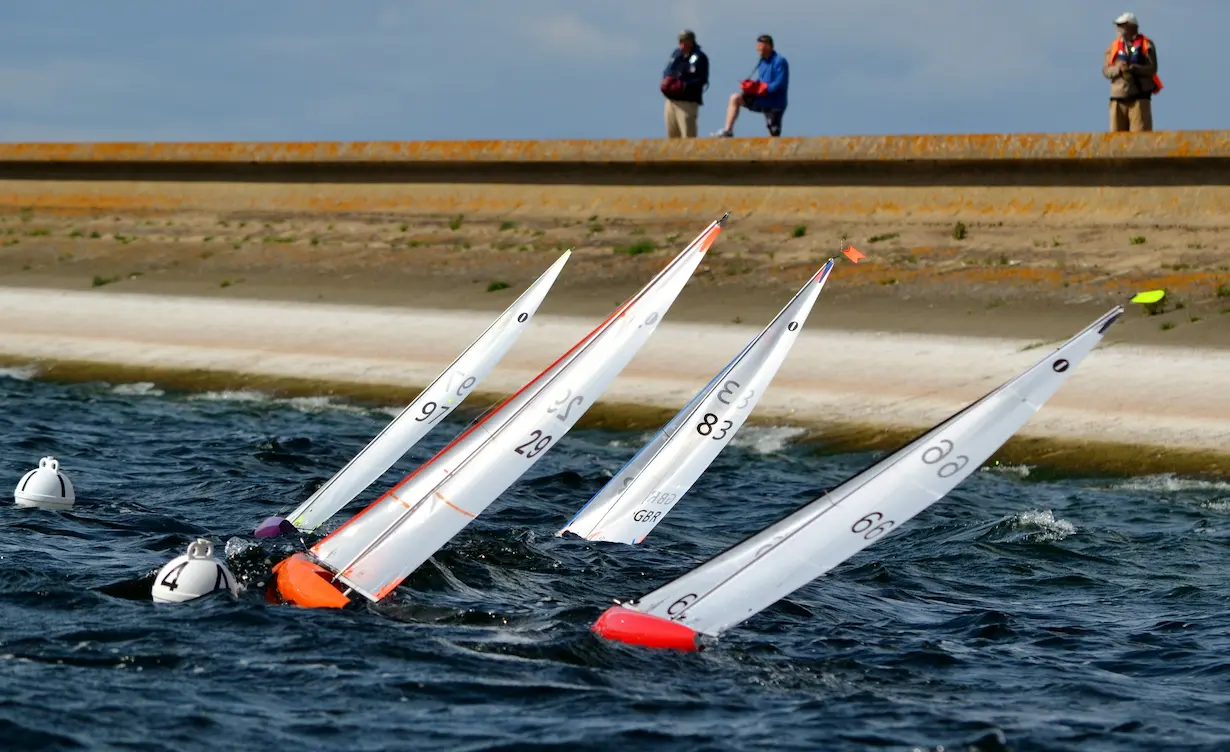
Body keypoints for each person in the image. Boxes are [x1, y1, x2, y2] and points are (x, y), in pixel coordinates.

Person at [712, 34, 788, 138]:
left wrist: (764, 89)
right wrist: (751, 86)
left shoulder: (780, 61)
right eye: (758, 46)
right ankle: (727, 131)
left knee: (774, 132)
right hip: (761, 99)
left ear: (769, 46)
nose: (759, 48)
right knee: (735, 98)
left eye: (761, 45)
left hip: (775, 102)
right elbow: (761, 80)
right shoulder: (762, 61)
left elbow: (780, 83)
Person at [1103, 12, 1161, 132]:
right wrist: (1119, 69)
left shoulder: (1146, 45)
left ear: (1131, 27)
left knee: (1140, 139)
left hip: (1139, 99)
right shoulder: (1113, 47)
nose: (1118, 28)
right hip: (1118, 100)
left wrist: (1135, 68)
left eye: (1122, 25)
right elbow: (1105, 70)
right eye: (1118, 25)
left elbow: (1152, 68)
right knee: (1116, 141)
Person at [661, 29, 709, 138]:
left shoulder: (700, 57)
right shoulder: (676, 54)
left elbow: (701, 80)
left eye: (684, 41)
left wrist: (683, 85)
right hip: (671, 100)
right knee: (672, 136)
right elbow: (667, 71)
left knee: (688, 135)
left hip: (687, 102)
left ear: (691, 42)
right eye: (680, 41)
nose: (681, 44)